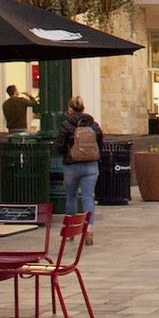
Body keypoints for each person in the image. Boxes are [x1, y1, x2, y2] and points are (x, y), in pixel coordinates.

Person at [55, 97, 103, 244]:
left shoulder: (66, 125)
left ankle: (71, 229)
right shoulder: (93, 124)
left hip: (72, 165)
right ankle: (89, 229)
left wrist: (67, 153)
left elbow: (59, 146)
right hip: (91, 165)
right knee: (88, 197)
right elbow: (100, 143)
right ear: (83, 108)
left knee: (71, 197)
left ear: (70, 109)